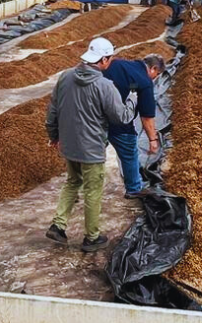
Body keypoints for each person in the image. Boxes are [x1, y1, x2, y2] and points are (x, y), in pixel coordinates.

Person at [45, 37, 133, 252]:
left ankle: (58, 224)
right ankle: (92, 237)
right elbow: (121, 117)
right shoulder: (104, 85)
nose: (111, 61)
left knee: (73, 181)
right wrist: (132, 99)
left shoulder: (65, 77)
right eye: (110, 58)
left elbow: (52, 111)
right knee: (93, 190)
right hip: (91, 148)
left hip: (69, 144)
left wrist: (54, 135)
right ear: (103, 59)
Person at [103, 53, 165, 198]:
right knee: (129, 152)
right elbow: (147, 116)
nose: (156, 78)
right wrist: (152, 140)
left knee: (90, 155)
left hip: (96, 119)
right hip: (119, 121)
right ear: (153, 68)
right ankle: (134, 189)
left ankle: (75, 189)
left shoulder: (116, 63)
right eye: (157, 74)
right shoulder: (144, 81)